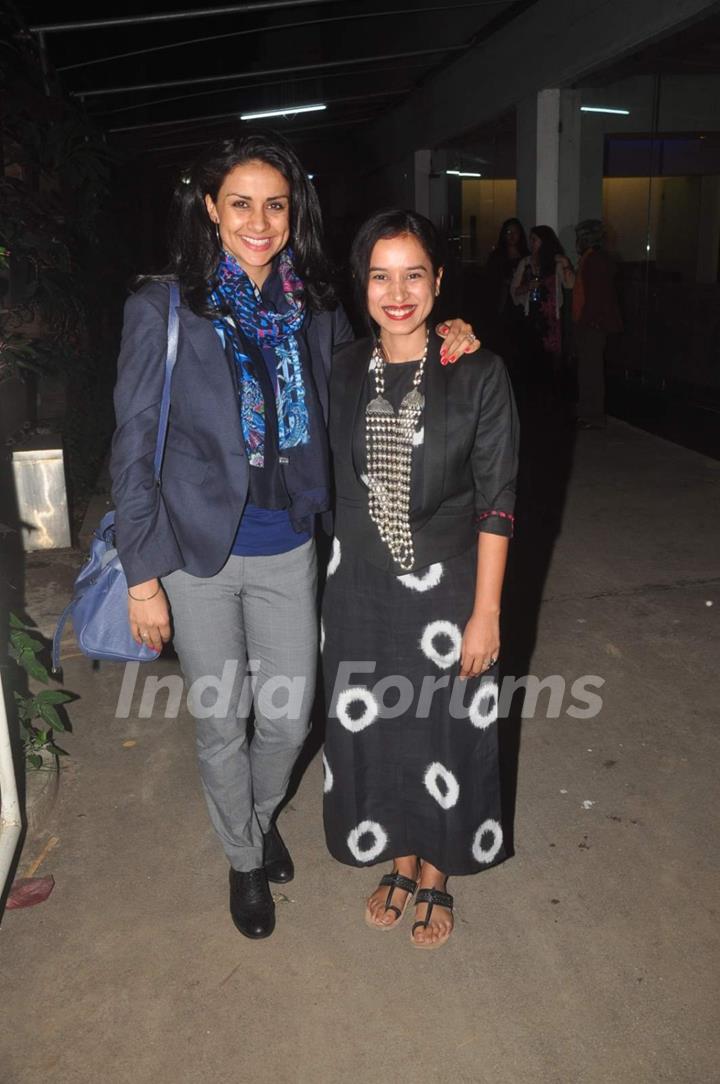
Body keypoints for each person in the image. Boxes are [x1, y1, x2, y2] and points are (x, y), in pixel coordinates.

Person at [109, 131, 480, 941]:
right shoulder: (162, 308)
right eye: (240, 203)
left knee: (286, 717)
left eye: (275, 204)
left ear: (292, 212)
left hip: (288, 543)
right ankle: (245, 859)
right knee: (221, 719)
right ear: (210, 209)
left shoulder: (311, 305)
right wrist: (143, 576)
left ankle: (256, 810)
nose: (259, 220)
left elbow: (370, 376)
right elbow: (132, 446)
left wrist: (449, 340)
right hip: (196, 555)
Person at [322, 210, 519, 949]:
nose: (397, 292)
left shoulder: (476, 371)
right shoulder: (341, 367)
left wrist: (487, 613)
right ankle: (399, 859)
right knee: (379, 730)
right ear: (361, 284)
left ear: (439, 281)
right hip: (360, 586)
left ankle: (436, 872)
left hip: (449, 583)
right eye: (380, 274)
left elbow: (498, 503)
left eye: (414, 274)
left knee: (445, 728)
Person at [510, 224, 574, 398]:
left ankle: (551, 394)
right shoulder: (526, 263)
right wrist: (527, 287)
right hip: (532, 314)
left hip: (552, 318)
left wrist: (566, 264)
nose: (531, 244)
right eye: (530, 239)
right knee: (532, 356)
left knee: (552, 360)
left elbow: (570, 284)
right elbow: (514, 291)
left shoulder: (555, 263)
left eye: (535, 240)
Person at [571, 218, 623, 428]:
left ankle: (592, 415)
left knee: (590, 371)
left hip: (592, 324)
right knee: (588, 370)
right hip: (591, 323)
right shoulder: (592, 258)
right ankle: (588, 412)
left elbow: (595, 297)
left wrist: (587, 322)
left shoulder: (594, 260)